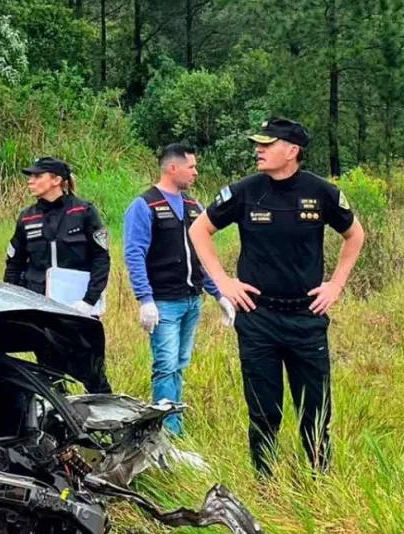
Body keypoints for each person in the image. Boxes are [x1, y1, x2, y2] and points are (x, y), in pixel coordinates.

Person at [188, 118, 366, 476]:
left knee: (315, 410)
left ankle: (319, 480)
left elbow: (355, 235)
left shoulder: (322, 192)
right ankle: (265, 482)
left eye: (267, 144)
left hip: (306, 318)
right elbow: (199, 229)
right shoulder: (246, 191)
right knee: (263, 411)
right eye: (258, 144)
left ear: (292, 150)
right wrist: (223, 280)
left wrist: (335, 285)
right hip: (258, 317)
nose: (259, 150)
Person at [123, 143, 236, 436]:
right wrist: (144, 299)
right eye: (192, 167)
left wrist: (218, 294)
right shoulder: (145, 205)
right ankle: (167, 431)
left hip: (191, 300)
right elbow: (134, 253)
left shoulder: (193, 206)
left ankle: (174, 420)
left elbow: (200, 255)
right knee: (165, 365)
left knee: (180, 364)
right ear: (173, 168)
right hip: (163, 301)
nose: (196, 172)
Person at [4, 156, 113, 393]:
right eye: (30, 176)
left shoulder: (83, 211)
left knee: (92, 374)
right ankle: (59, 424)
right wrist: (12, 301)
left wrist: (89, 301)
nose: (30, 181)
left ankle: (105, 419)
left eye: (37, 176)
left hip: (77, 310)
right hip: (41, 310)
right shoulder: (27, 217)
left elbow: (101, 259)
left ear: (56, 180)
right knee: (49, 376)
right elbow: (14, 264)